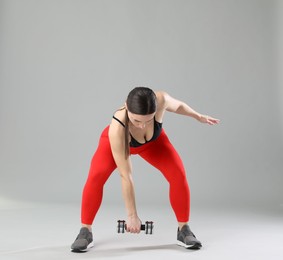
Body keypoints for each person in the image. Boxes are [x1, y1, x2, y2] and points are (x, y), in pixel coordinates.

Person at [71, 87, 220, 252]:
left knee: (178, 174)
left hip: (152, 143)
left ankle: (183, 229)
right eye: (136, 121)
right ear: (127, 107)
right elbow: (126, 175)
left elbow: (177, 106)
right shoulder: (118, 127)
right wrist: (132, 216)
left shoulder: (161, 99)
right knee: (96, 177)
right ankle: (85, 231)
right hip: (118, 143)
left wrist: (197, 116)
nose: (142, 126)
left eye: (148, 121)